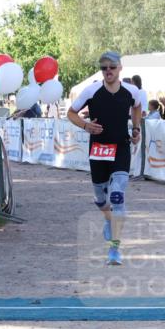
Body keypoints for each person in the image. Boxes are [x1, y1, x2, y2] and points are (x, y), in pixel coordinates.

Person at [67, 50, 143, 266]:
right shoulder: (91, 91)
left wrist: (136, 128)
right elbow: (71, 113)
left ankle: (114, 251)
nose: (108, 71)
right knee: (101, 199)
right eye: (104, 68)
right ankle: (109, 220)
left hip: (120, 148)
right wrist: (85, 125)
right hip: (99, 150)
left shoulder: (132, 91)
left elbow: (137, 107)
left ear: (120, 68)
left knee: (117, 195)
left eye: (112, 67)